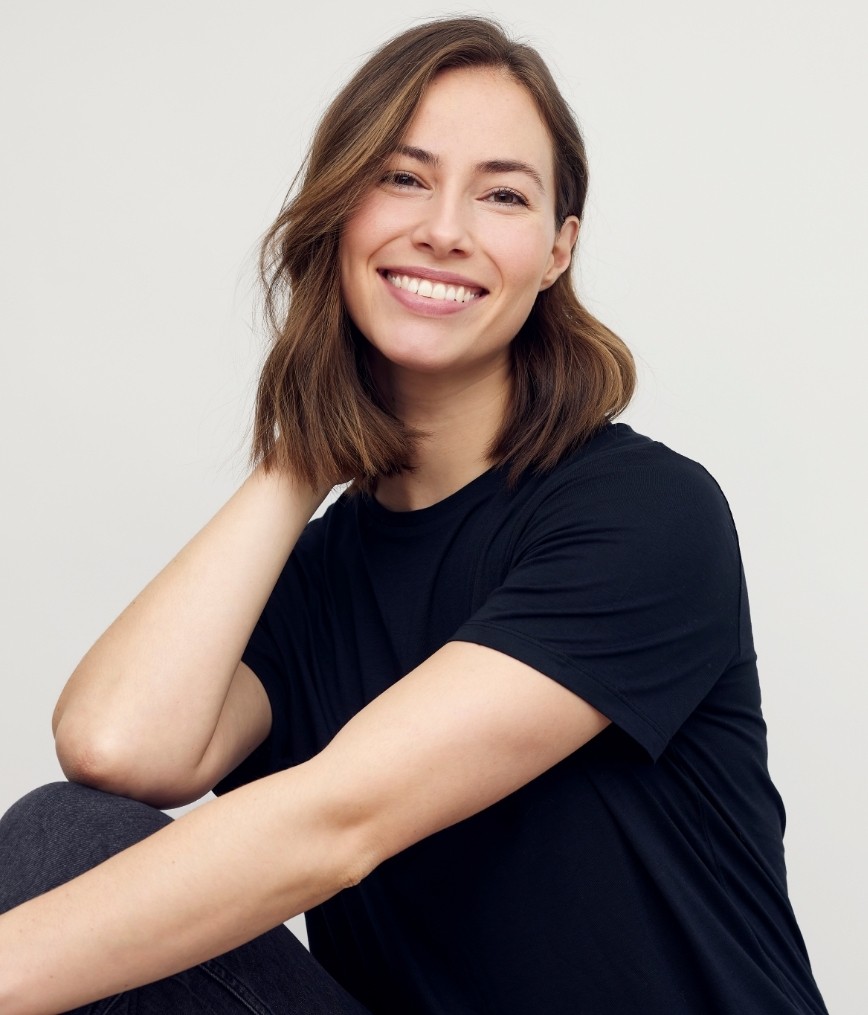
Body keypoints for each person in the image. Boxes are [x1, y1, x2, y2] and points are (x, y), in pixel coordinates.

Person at [0, 16, 827, 1015]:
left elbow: (335, 823)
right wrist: (301, 453)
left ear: (558, 249)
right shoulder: (314, 576)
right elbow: (117, 749)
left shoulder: (642, 514)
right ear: (338, 213)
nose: (444, 226)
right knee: (65, 836)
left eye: (503, 194)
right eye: (401, 178)